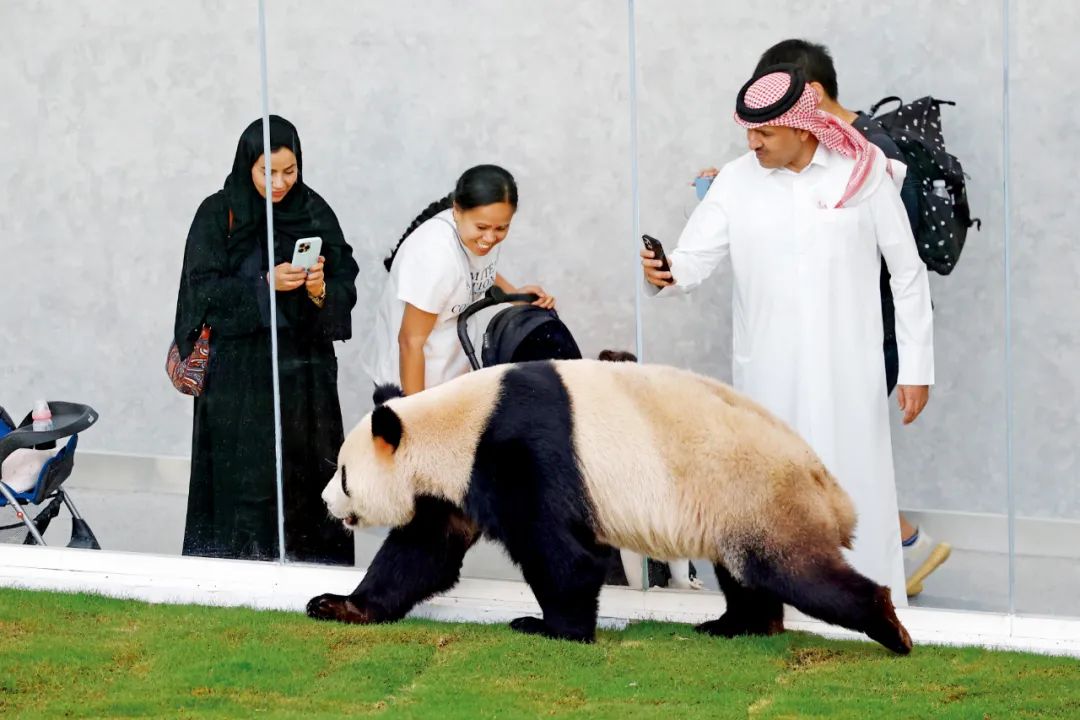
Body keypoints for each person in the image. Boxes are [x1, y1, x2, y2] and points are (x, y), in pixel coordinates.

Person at [642, 64, 934, 604]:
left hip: (848, 368)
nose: (752, 143)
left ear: (803, 128)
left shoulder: (863, 172)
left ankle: (869, 604)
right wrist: (665, 272)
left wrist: (917, 368)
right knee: (772, 486)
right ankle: (774, 606)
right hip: (770, 369)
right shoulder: (736, 181)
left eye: (764, 133)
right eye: (748, 132)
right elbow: (692, 260)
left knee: (854, 480)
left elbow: (908, 272)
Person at [174, 115, 357, 565]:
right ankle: (234, 577)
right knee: (243, 482)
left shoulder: (313, 210)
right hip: (238, 384)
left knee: (306, 476)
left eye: (289, 171)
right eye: (267, 172)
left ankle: (313, 574)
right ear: (247, 165)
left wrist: (319, 290)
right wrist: (265, 284)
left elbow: (344, 280)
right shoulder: (218, 214)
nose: (279, 183)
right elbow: (201, 293)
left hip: (304, 382)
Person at [362, 164, 554, 395]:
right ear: (457, 211)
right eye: (482, 227)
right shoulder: (434, 256)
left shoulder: (476, 234)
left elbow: (473, 269)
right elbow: (410, 342)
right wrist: (416, 411)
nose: (490, 238)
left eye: (502, 228)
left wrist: (514, 295)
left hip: (450, 377)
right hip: (411, 384)